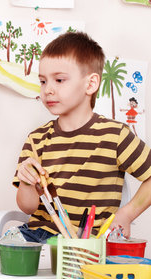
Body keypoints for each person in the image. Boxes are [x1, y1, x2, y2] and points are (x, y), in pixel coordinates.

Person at [14, 31, 151, 242]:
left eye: (59, 80)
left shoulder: (115, 135)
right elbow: (28, 206)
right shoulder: (37, 138)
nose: (48, 89)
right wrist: (25, 182)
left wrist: (127, 214)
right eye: (43, 82)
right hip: (38, 237)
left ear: (90, 84)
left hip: (88, 245)